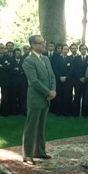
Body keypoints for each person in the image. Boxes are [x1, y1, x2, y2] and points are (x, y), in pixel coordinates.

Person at [21, 35, 56, 165]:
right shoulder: (28, 61)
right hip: (36, 98)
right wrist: (48, 92)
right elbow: (34, 82)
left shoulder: (46, 58)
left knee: (41, 127)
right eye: (40, 43)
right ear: (33, 45)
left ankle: (39, 152)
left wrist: (53, 91)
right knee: (31, 127)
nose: (44, 45)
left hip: (46, 98)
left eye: (44, 42)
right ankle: (28, 155)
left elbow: (52, 76)